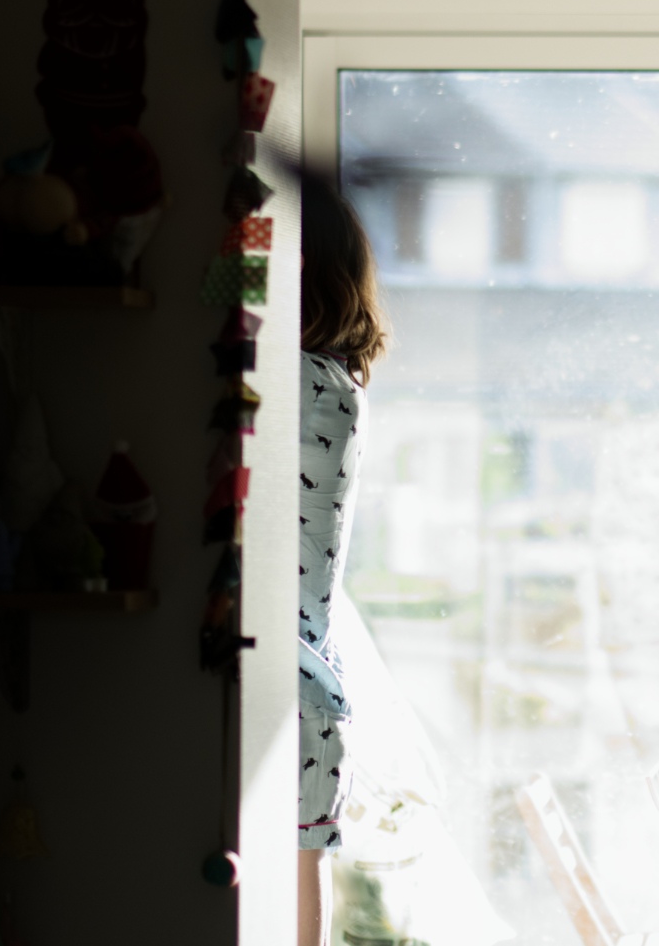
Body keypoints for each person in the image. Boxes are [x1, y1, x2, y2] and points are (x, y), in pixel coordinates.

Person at [296, 177, 388, 946]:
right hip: (313, 685)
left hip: (293, 686)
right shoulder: (336, 386)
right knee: (302, 888)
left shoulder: (300, 387)